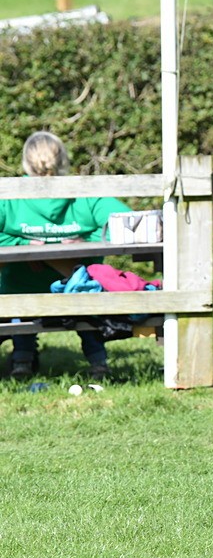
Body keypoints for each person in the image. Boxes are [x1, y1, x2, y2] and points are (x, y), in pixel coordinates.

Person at [0, 132, 129, 380]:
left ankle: (22, 362)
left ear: (26, 163)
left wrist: (22, 244)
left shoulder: (10, 198)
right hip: (79, 291)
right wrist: (87, 240)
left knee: (20, 296)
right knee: (84, 295)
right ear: (64, 160)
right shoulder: (86, 195)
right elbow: (130, 226)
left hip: (20, 292)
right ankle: (98, 364)